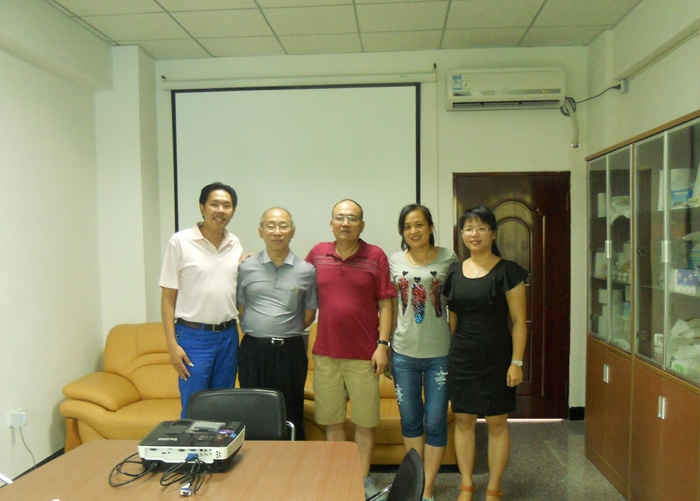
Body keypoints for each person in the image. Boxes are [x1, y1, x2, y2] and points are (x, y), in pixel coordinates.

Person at [305, 199, 396, 500]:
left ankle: (363, 478)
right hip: (326, 354)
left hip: (364, 355)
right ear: (331, 223)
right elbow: (292, 276)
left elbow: (386, 303)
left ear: (362, 225)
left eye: (352, 218)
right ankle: (338, 477)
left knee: (365, 422)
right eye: (340, 217)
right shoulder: (318, 254)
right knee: (332, 421)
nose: (346, 223)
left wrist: (383, 345)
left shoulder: (375, 256)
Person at [443, 205, 528, 501]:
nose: (474, 234)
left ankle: (494, 486)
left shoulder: (508, 271)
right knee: (463, 420)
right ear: (462, 234)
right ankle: (466, 485)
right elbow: (453, 319)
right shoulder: (454, 271)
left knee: (496, 422)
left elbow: (519, 321)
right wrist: (455, 353)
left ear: (493, 233)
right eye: (468, 229)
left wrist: (516, 362)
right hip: (462, 357)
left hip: (497, 356)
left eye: (481, 228)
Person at [389, 204, 458, 501]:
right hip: (403, 353)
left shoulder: (449, 258)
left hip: (439, 354)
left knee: (436, 422)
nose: (413, 231)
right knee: (410, 421)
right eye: (407, 226)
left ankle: (427, 489)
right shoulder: (394, 260)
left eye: (419, 224)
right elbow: (390, 305)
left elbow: (456, 305)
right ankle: (416, 486)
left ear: (430, 227)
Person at [159, 182, 243, 418]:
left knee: (223, 406)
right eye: (214, 204)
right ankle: (190, 445)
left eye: (227, 206)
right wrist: (171, 345)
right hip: (193, 337)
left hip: (228, 336)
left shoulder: (235, 243)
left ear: (233, 211)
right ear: (202, 208)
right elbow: (167, 298)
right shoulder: (180, 242)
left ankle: (220, 444)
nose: (220, 210)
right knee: (194, 406)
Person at [236, 207, 317, 440]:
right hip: (254, 351)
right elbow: (242, 308)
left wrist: (282, 330)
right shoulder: (246, 267)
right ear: (261, 231)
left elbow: (309, 314)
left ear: (293, 231)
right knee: (252, 412)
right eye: (271, 226)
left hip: (290, 352)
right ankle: (255, 461)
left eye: (283, 226)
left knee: (290, 411)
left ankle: (292, 460)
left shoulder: (306, 270)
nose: (277, 231)